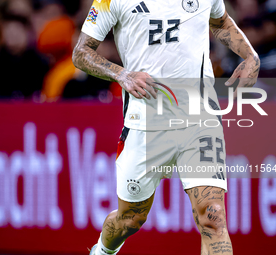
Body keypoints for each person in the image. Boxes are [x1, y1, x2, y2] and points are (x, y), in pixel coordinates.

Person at [72, 0, 260, 254]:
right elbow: (81, 53)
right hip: (145, 123)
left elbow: (220, 21)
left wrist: (250, 55)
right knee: (130, 219)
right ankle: (103, 250)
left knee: (212, 217)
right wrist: (122, 74)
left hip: (200, 117)